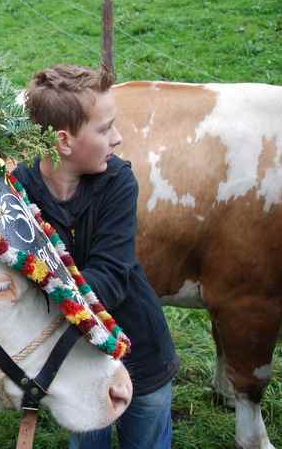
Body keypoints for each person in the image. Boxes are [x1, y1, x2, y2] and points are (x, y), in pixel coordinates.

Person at [12, 65, 178, 449]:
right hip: (75, 363)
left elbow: (112, 275)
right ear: (64, 142)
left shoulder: (118, 182)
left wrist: (37, 300)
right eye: (105, 129)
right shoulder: (18, 192)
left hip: (140, 352)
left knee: (148, 440)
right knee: (88, 440)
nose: (117, 138)